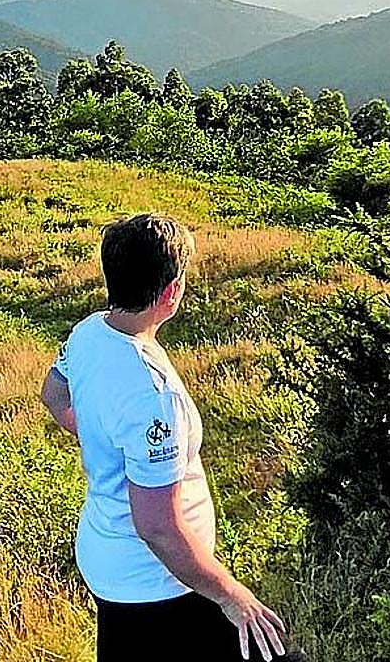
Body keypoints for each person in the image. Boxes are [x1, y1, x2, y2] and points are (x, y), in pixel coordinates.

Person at [40, 212, 292, 661]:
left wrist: (101, 435)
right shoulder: (154, 396)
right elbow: (157, 527)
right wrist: (234, 597)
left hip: (107, 559)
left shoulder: (88, 334)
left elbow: (53, 393)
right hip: (156, 583)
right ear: (172, 291)